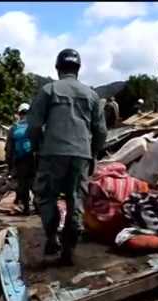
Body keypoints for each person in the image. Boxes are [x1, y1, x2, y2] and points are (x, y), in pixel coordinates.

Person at [27, 48, 107, 265]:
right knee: (75, 199)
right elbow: (100, 131)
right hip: (81, 154)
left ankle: (52, 238)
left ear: (57, 68)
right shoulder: (91, 94)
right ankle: (69, 250)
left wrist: (35, 147)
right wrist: (94, 153)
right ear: (78, 69)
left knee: (46, 196)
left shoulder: (49, 90)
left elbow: (34, 125)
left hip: (52, 153)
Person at [5, 103, 36, 215]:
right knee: (33, 184)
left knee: (24, 184)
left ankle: (26, 208)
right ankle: (36, 208)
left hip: (22, 159)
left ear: (19, 114)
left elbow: (9, 148)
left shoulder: (14, 128)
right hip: (33, 159)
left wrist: (10, 166)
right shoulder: (34, 126)